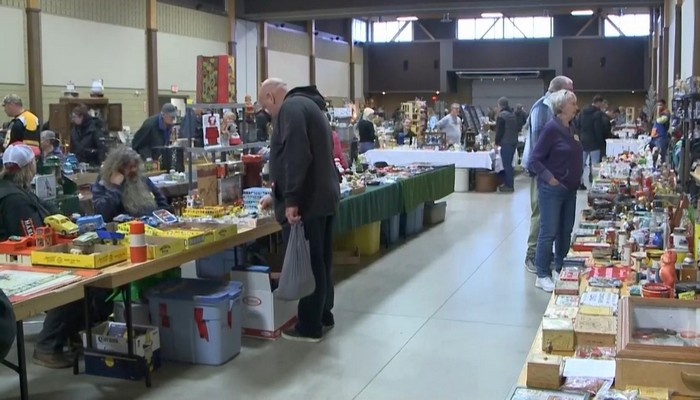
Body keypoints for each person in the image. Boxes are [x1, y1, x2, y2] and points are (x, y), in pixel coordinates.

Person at [0, 144, 110, 368]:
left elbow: (44, 216)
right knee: (77, 284)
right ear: (28, 167)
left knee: (93, 285)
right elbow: (31, 235)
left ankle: (70, 334)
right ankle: (48, 345)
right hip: (19, 262)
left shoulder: (17, 189)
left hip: (23, 256)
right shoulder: (14, 199)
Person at [257, 78, 340, 342]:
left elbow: (297, 155)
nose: (269, 114)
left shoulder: (290, 110)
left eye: (265, 107)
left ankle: (309, 324)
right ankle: (323, 313)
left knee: (309, 262)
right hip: (322, 197)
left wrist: (291, 199)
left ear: (271, 97)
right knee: (322, 259)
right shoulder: (310, 106)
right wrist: (277, 195)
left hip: (307, 201)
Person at [529, 90, 582, 292]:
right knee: (549, 231)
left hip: (570, 189)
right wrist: (550, 178)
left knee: (565, 230)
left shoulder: (571, 128)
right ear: (561, 107)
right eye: (572, 103)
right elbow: (536, 158)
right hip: (553, 190)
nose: (576, 106)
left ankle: (560, 267)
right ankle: (542, 273)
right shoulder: (551, 129)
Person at [521, 75, 574, 274]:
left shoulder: (555, 108)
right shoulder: (543, 108)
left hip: (554, 172)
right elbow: (539, 145)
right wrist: (548, 175)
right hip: (542, 172)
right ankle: (532, 255)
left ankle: (546, 255)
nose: (573, 94)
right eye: (570, 89)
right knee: (541, 214)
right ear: (560, 91)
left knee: (550, 215)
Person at [91, 146, 170, 222]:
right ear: (117, 168)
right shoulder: (103, 182)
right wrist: (115, 187)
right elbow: (102, 214)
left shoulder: (141, 178)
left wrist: (161, 218)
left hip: (152, 225)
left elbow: (161, 202)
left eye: (135, 166)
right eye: (129, 167)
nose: (133, 170)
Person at [578, 95, 606, 190]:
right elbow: (597, 129)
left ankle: (579, 182)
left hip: (583, 140)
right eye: (602, 103)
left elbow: (578, 125)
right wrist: (601, 142)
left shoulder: (582, 112)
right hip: (594, 142)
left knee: (581, 164)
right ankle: (595, 185)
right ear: (598, 102)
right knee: (595, 165)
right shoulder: (597, 114)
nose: (602, 105)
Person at [495, 97, 519, 193]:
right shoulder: (512, 114)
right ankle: (508, 183)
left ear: (500, 105)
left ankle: (509, 186)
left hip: (506, 142)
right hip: (513, 142)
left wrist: (496, 142)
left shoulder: (502, 115)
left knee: (506, 164)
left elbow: (500, 131)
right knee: (509, 164)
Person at [651, 99, 671, 163]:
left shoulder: (666, 113)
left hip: (661, 137)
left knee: (661, 156)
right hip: (655, 137)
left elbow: (659, 121)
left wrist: (658, 113)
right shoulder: (658, 113)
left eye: (661, 105)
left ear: (665, 105)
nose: (659, 106)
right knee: (654, 155)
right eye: (658, 105)